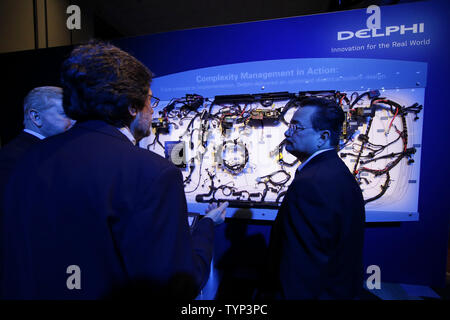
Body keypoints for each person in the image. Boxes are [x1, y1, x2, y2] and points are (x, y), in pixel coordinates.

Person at [0, 41, 227, 299]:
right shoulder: (153, 174)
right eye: (150, 100)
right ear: (132, 107)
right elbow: (175, 286)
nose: (152, 110)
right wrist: (206, 228)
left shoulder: (26, 160)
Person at [266, 97, 365, 299]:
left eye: (297, 127)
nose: (287, 133)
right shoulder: (336, 173)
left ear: (323, 137)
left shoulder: (311, 184)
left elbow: (301, 268)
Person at [0, 86, 74, 191]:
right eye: (64, 114)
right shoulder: (12, 159)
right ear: (36, 117)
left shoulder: (56, 149)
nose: (73, 121)